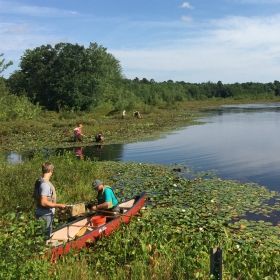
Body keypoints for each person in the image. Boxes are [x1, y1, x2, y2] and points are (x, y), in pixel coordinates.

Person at [33, 162, 66, 239]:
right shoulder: (45, 184)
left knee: (39, 236)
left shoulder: (38, 181)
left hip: (39, 212)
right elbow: (43, 202)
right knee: (44, 237)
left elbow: (34, 196)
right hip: (45, 214)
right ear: (51, 170)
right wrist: (59, 205)